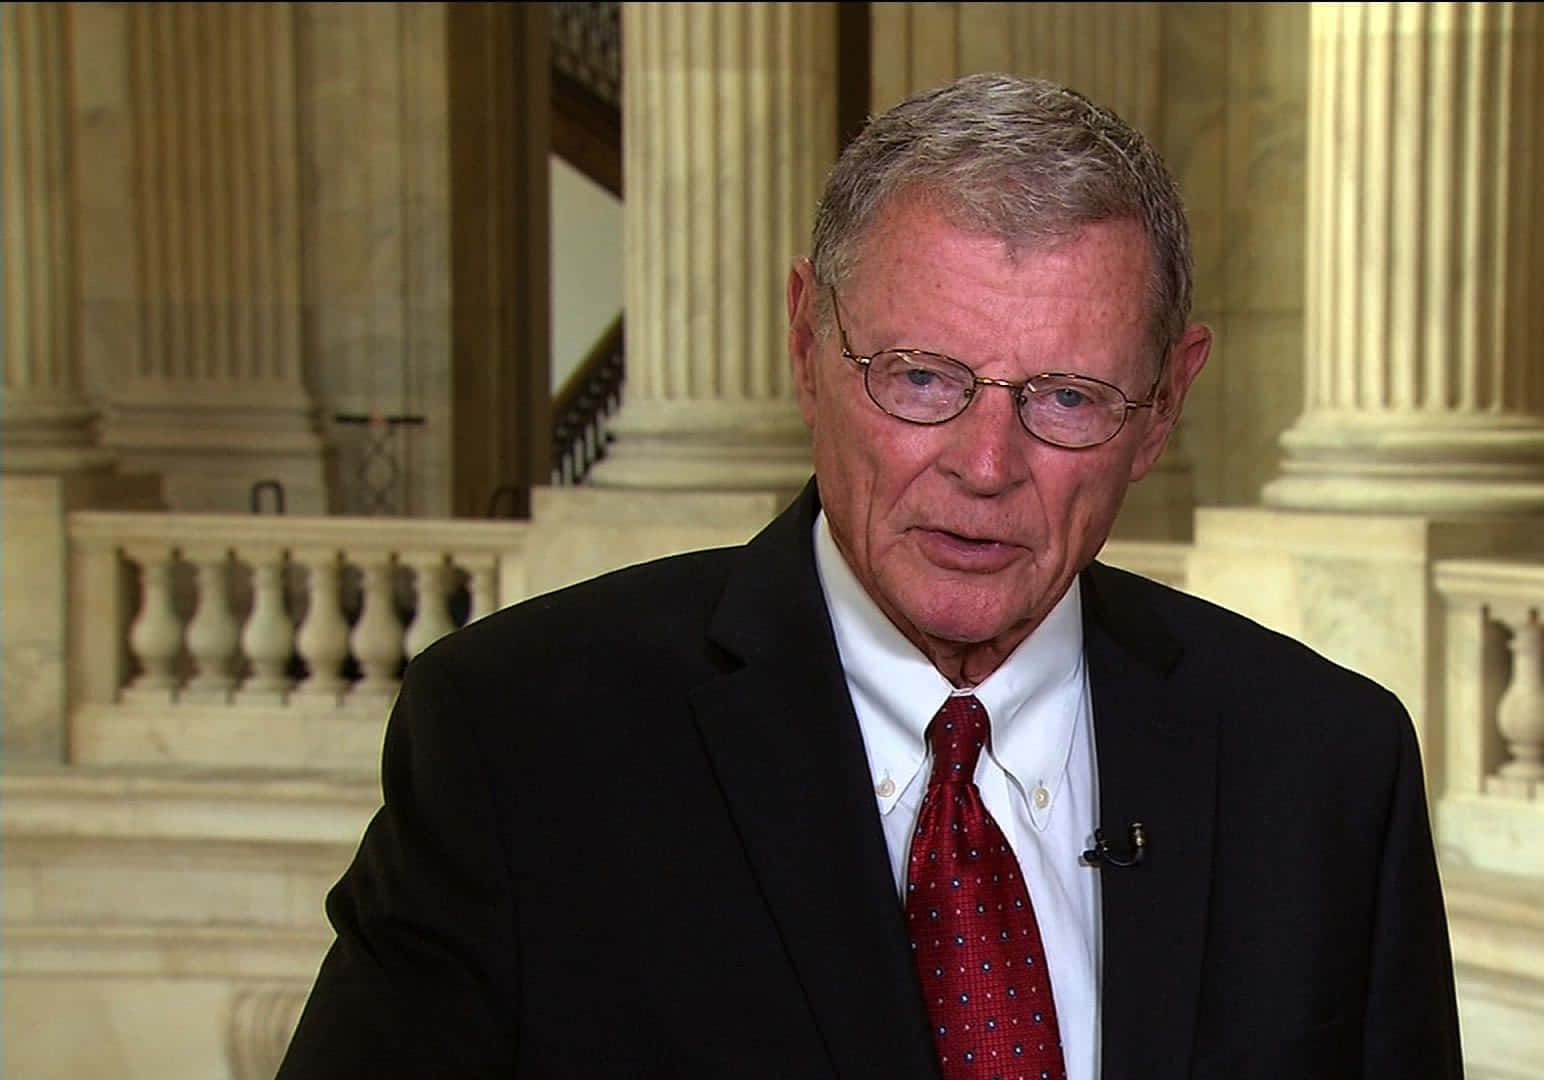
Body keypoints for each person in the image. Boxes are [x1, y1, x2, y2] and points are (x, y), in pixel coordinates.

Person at [279, 72, 1462, 1079]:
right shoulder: (520, 744)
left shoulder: (1326, 770)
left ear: (1162, 408)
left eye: (1066, 397)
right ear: (807, 342)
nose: (984, 467)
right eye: (921, 378)